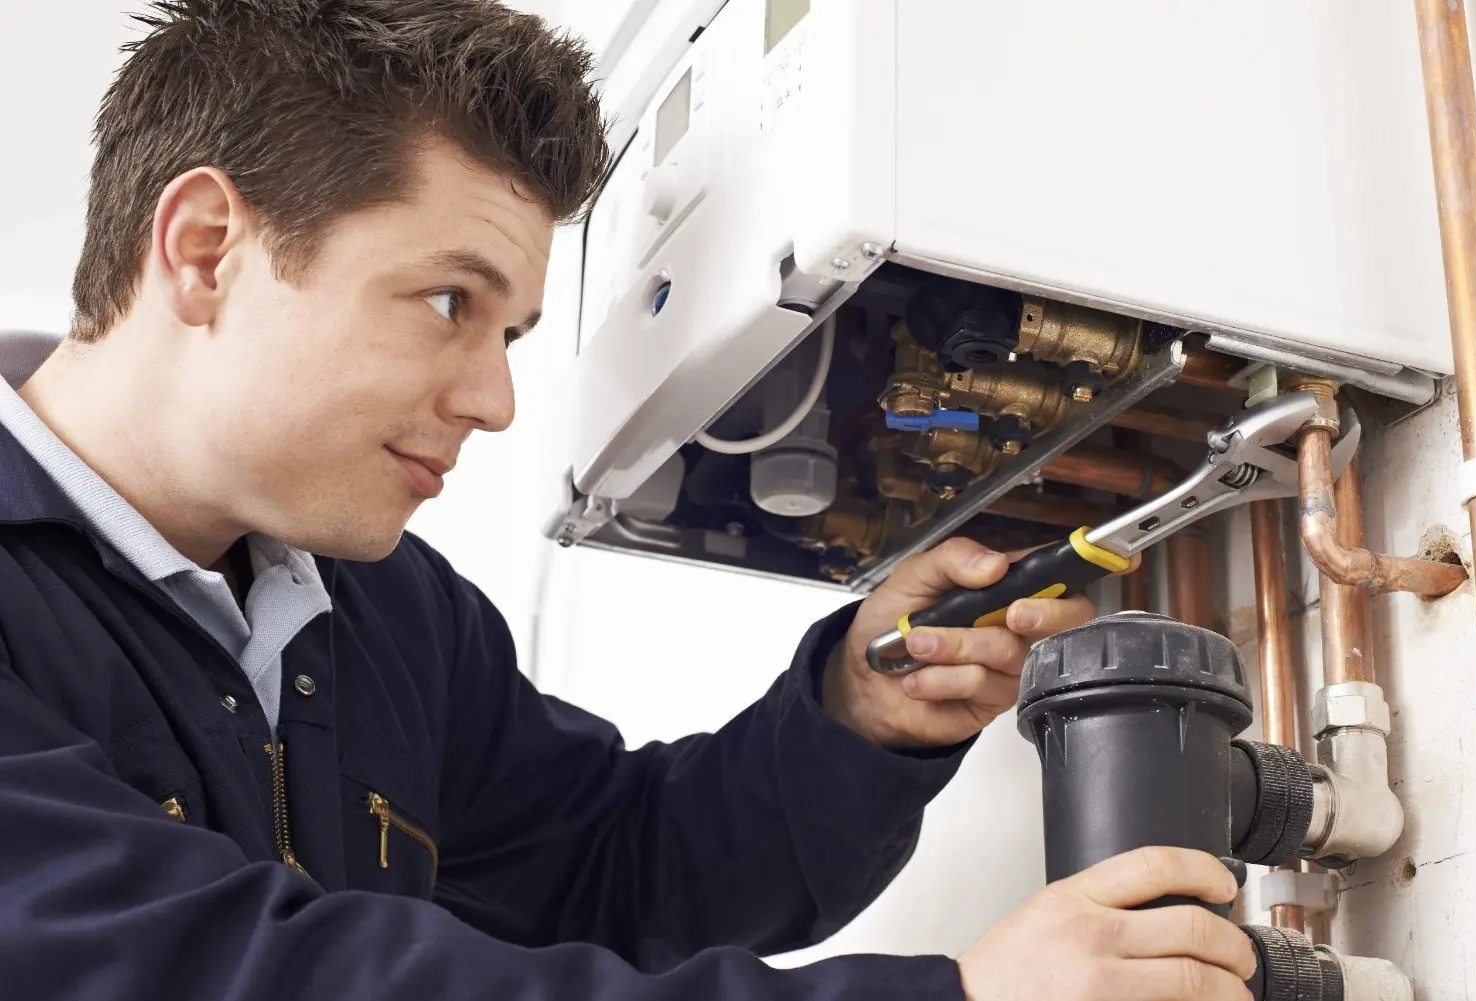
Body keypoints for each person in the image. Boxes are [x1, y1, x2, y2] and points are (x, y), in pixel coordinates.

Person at [0, 2, 1257, 999]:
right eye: (450, 302)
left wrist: (858, 715)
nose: (493, 400)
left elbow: (618, 866)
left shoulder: (381, 609)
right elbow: (222, 970)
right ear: (207, 246)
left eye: (513, 331)